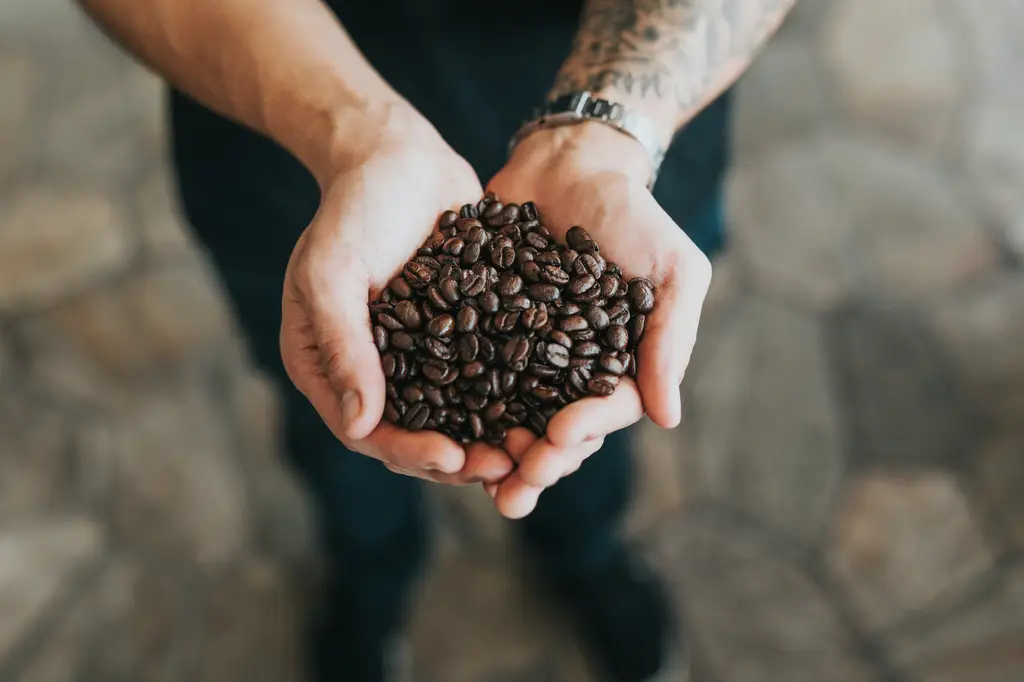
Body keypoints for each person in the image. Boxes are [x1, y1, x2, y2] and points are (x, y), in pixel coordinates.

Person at [79, 1, 797, 680]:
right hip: (285, 107)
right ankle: (370, 579)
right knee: (343, 413)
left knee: (588, 429)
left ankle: (586, 555)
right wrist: (356, 136)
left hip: (622, 136)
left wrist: (606, 134)